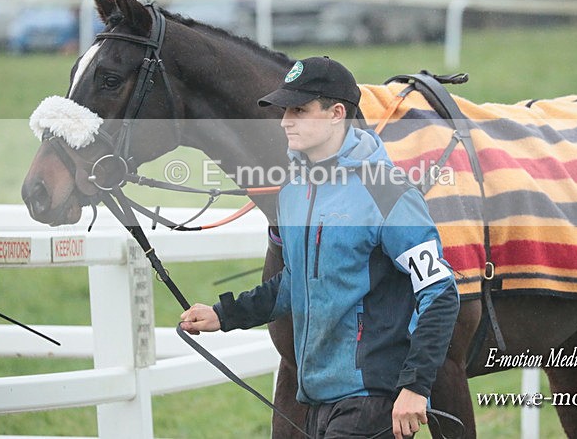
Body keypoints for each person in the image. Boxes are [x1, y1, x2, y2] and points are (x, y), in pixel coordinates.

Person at [181, 56, 460, 439]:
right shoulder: (294, 191)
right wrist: (222, 315)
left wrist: (415, 387)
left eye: (299, 110)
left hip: (373, 400)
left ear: (336, 113)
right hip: (316, 401)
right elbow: (292, 283)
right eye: (285, 110)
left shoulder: (387, 191)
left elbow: (440, 293)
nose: (285, 122)